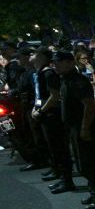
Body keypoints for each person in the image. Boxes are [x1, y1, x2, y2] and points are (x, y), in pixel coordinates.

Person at [53, 51, 95, 209]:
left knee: (89, 163)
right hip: (74, 127)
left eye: (59, 61)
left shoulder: (77, 81)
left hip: (83, 126)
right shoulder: (66, 80)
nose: (56, 65)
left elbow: (89, 105)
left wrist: (85, 128)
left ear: (70, 62)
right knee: (82, 162)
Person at [30, 49, 74, 193]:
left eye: (34, 54)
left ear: (42, 57)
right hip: (45, 114)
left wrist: (41, 110)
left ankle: (66, 180)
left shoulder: (48, 73)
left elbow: (54, 96)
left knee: (59, 149)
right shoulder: (41, 72)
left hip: (52, 116)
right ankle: (61, 177)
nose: (32, 57)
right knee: (53, 148)